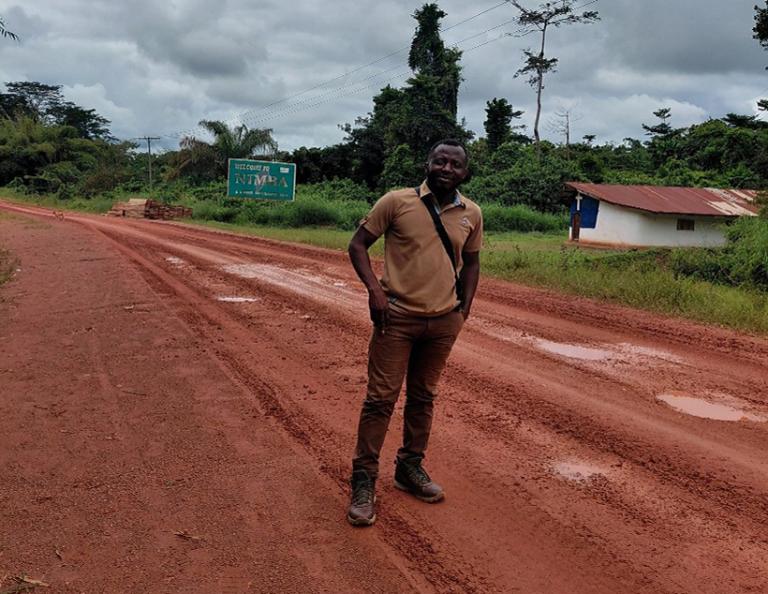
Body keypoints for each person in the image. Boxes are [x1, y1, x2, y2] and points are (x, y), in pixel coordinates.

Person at [346, 139, 483, 526]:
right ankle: (363, 481)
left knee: (423, 397)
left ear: (465, 173)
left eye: (455, 164)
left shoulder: (472, 213)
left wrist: (464, 309)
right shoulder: (396, 202)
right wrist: (375, 292)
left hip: (443, 322)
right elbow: (358, 246)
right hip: (396, 318)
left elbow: (472, 263)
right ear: (427, 164)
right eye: (440, 161)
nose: (446, 168)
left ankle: (409, 468)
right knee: (380, 400)